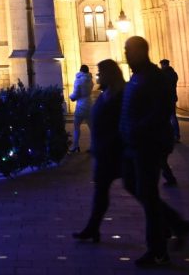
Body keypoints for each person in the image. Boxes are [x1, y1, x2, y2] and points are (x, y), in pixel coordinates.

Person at [119, 36, 189, 268]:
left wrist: (139, 129)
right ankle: (177, 224)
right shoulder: (139, 76)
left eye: (129, 50)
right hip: (135, 144)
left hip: (148, 145)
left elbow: (161, 110)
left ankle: (158, 250)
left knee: (148, 195)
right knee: (133, 185)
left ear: (141, 52)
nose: (126, 54)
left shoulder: (153, 77)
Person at [72, 59, 126, 243]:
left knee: (142, 193)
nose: (98, 76)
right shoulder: (107, 92)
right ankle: (92, 228)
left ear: (109, 75)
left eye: (100, 73)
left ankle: (175, 223)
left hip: (114, 153)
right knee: (101, 192)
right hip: (106, 152)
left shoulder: (118, 94)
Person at [69, 64, 93, 152]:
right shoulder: (90, 80)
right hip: (89, 104)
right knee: (91, 127)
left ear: (80, 70)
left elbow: (75, 95)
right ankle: (92, 146)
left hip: (80, 106)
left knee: (76, 127)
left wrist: (71, 97)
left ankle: (75, 146)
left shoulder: (78, 81)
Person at [160, 59, 181, 142]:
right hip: (171, 98)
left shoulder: (163, 74)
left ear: (164, 65)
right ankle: (175, 135)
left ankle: (172, 135)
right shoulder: (173, 74)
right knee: (172, 117)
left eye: (162, 65)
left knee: (169, 117)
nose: (162, 66)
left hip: (166, 99)